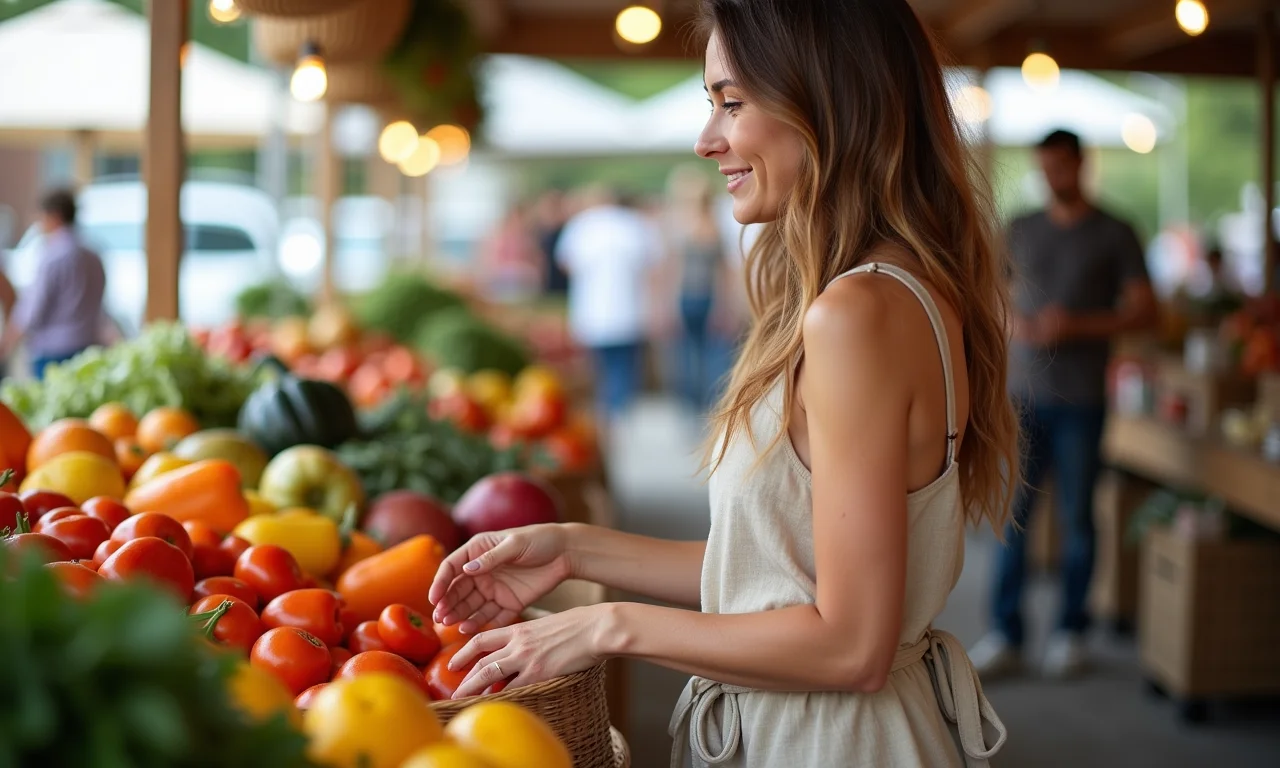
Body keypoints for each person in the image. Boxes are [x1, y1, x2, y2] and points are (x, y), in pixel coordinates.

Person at [429, 1, 1018, 766]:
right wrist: (575, 550)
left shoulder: (857, 314)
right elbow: (774, 570)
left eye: (731, 103)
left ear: (830, 101)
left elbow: (849, 645)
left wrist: (607, 627)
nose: (708, 141)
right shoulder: (885, 293)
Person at [968, 129, 1158, 681]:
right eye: (1045, 167)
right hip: (1021, 398)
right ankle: (1007, 631)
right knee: (1013, 520)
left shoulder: (1116, 232)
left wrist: (1076, 326)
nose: (1054, 177)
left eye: (1062, 167)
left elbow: (1145, 313)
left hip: (1082, 398)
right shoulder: (1020, 228)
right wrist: (1015, 325)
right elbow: (987, 295)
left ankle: (1071, 630)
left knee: (1078, 517)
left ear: (1082, 165)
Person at [554, 185, 662, 429]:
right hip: (628, 312)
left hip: (592, 313)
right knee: (623, 368)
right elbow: (653, 266)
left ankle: (605, 415)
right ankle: (619, 414)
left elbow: (565, 264)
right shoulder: (633, 225)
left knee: (598, 368)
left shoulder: (582, 225)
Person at [0, 189, 106, 380]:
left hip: (53, 352)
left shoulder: (52, 255)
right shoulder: (93, 254)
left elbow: (33, 309)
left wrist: (8, 340)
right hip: (87, 344)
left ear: (54, 216)